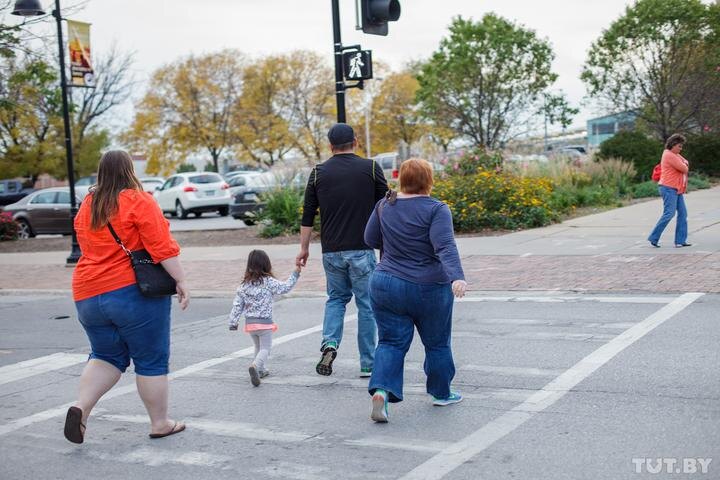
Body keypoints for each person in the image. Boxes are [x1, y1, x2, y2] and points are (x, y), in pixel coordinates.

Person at [65, 150, 190, 444]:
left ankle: (81, 408)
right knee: (151, 360)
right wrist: (181, 280)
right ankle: (160, 423)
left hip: (87, 292)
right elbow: (161, 247)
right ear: (129, 170)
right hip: (131, 292)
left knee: (105, 356)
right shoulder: (138, 200)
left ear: (101, 172)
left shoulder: (88, 205)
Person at [363, 158, 467, 423]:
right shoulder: (437, 209)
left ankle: (382, 392)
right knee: (437, 342)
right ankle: (441, 393)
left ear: (402, 179)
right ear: (428, 180)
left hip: (385, 283)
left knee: (390, 342)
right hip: (429, 287)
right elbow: (444, 245)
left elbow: (370, 239)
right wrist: (456, 277)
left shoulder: (384, 205)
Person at [296, 123, 388, 377]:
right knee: (366, 304)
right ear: (355, 142)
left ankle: (330, 343)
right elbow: (386, 204)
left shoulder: (318, 173)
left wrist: (304, 249)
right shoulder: (371, 167)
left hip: (331, 251)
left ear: (330, 146)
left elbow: (307, 215)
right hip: (362, 248)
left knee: (336, 299)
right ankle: (368, 363)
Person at [228, 249, 301, 386]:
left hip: (250, 325)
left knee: (257, 346)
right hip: (264, 324)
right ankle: (255, 366)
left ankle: (261, 370)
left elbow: (237, 305)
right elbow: (285, 287)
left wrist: (233, 322)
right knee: (265, 348)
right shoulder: (268, 282)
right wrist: (295, 273)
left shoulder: (243, 286)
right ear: (266, 264)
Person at [648, 134, 691, 248]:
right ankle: (653, 237)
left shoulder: (674, 154)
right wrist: (684, 163)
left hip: (676, 189)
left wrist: (684, 162)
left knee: (683, 214)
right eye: (679, 146)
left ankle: (680, 241)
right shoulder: (669, 155)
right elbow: (684, 168)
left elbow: (685, 162)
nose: (681, 149)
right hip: (668, 188)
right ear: (673, 145)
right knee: (669, 214)